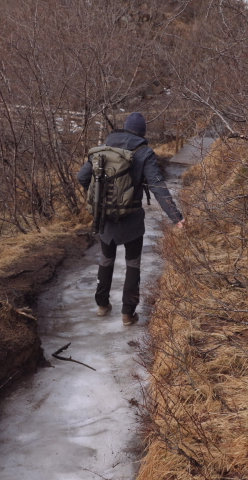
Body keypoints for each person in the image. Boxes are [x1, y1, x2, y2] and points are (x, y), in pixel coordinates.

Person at [77, 112, 185, 326]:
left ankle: (102, 305)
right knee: (132, 263)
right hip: (132, 217)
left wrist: (97, 198)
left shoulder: (105, 148)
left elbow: (83, 176)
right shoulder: (145, 152)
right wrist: (176, 218)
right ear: (142, 133)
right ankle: (128, 314)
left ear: (125, 128)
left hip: (105, 216)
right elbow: (157, 186)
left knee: (106, 259)